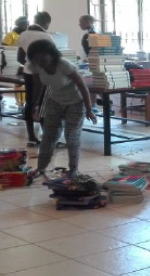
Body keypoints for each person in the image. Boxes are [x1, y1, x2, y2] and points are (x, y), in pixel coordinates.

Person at [26, 40, 97, 180]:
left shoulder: (64, 65)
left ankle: (74, 170)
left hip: (75, 102)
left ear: (51, 54)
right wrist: (35, 105)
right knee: (49, 136)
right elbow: (38, 86)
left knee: (72, 136)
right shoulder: (35, 66)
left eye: (43, 58)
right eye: (36, 59)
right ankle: (41, 168)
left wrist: (89, 109)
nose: (40, 62)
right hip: (55, 101)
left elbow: (83, 86)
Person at [17, 11, 55, 147]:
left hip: (28, 71)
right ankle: (47, 137)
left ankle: (31, 137)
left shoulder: (23, 35)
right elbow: (53, 57)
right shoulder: (46, 36)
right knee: (44, 102)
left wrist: (29, 63)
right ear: (46, 23)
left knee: (30, 101)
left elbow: (19, 58)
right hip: (43, 72)